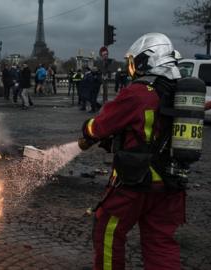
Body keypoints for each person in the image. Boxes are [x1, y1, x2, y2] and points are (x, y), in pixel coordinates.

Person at [79, 33, 187, 270]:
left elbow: (100, 126)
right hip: (171, 181)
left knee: (108, 231)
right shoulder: (180, 92)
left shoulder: (138, 92)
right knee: (161, 243)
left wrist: (86, 130)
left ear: (145, 61)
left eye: (132, 62)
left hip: (135, 181)